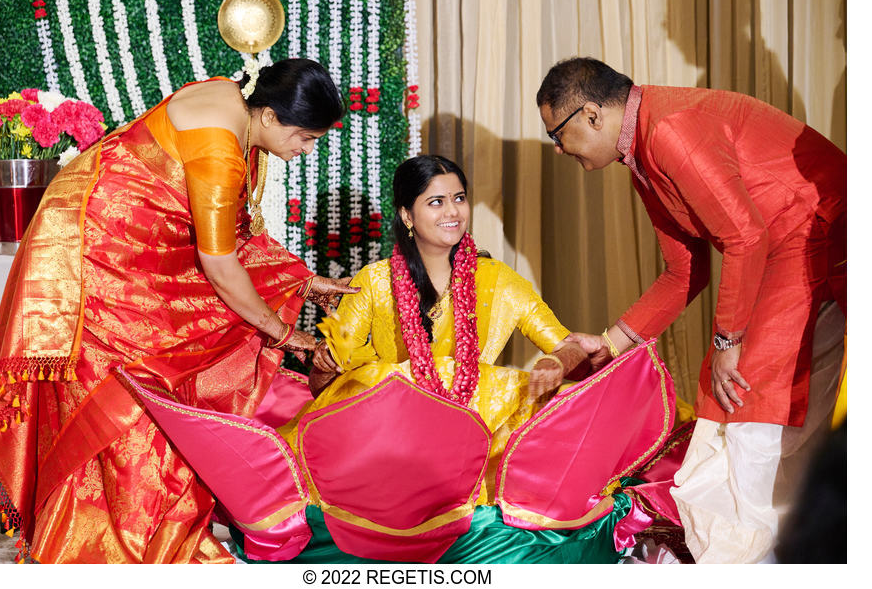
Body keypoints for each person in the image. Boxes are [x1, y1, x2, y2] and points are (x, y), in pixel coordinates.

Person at [0, 58, 357, 563]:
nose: (304, 151)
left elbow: (228, 231)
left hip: (125, 241)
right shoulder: (220, 149)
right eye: (305, 138)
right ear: (271, 117)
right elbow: (219, 264)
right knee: (135, 400)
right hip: (103, 262)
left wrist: (298, 278)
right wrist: (283, 333)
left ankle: (116, 538)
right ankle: (111, 548)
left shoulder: (234, 94)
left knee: (151, 394)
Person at [224, 154, 680, 564]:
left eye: (458, 198)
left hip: (477, 423)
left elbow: (566, 342)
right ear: (407, 215)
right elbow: (326, 386)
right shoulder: (374, 282)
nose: (452, 212)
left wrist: (556, 363)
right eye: (436, 202)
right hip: (387, 432)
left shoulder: (499, 279)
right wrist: (324, 365)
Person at [535, 56, 846, 563]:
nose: (557, 147)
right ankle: (769, 548)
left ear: (591, 114)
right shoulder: (640, 155)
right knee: (735, 400)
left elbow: (744, 236)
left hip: (813, 231)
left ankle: (761, 553)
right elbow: (686, 272)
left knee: (746, 397)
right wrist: (609, 342)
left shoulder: (670, 130)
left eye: (557, 134)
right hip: (782, 243)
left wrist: (729, 341)